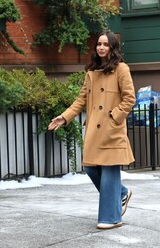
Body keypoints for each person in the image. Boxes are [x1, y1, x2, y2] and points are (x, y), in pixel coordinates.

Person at [48, 31, 136, 230]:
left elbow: (130, 98)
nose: (101, 47)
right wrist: (65, 116)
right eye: (99, 44)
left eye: (106, 44)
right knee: (89, 168)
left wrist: (115, 117)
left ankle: (111, 218)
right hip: (95, 132)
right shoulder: (91, 73)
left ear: (112, 48)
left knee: (109, 172)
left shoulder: (122, 69)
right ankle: (121, 193)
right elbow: (81, 100)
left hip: (112, 130)